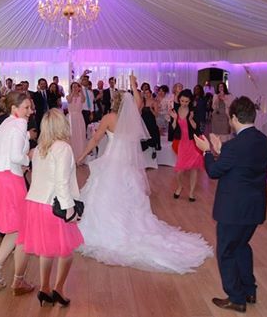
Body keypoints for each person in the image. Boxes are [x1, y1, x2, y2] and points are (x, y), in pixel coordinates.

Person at [75, 74, 213, 273]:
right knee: (129, 198)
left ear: (114, 102)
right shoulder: (133, 117)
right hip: (128, 167)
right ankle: (129, 226)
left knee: (105, 196)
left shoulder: (109, 118)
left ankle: (111, 230)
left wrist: (81, 155)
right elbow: (138, 101)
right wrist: (133, 83)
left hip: (112, 163)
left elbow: (95, 140)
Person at [194, 96, 267, 313]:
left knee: (226, 251)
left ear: (234, 118)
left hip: (233, 210)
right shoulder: (263, 140)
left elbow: (214, 172)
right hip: (254, 208)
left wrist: (207, 151)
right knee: (242, 246)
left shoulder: (235, 146)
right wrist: (221, 151)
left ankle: (236, 298)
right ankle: (249, 290)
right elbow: (241, 165)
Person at [17, 109, 84, 307]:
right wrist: (70, 209)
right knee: (66, 251)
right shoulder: (63, 148)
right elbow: (61, 182)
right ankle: (58, 289)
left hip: (35, 204)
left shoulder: (39, 149)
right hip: (55, 205)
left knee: (46, 250)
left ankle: (44, 288)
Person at [0, 91, 35, 295]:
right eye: (26, 108)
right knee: (23, 229)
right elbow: (15, 156)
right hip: (8, 179)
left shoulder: (3, 125)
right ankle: (18, 281)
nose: (30, 111)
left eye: (30, 107)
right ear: (14, 109)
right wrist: (28, 158)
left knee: (15, 229)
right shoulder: (19, 125)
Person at [169, 89, 204, 201]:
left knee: (194, 169)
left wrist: (190, 119)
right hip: (182, 143)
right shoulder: (175, 110)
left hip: (193, 142)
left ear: (190, 101)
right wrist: (174, 119)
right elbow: (174, 129)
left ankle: (191, 193)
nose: (184, 103)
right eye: (182, 101)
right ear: (179, 99)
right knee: (179, 170)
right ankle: (180, 186)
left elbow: (196, 128)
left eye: (186, 101)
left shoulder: (193, 111)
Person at [66, 82, 86, 162]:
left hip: (79, 118)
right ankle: (71, 158)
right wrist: (72, 93)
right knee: (71, 136)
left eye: (76, 86)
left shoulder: (81, 96)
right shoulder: (68, 96)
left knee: (80, 136)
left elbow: (84, 100)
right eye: (73, 87)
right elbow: (69, 100)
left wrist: (81, 91)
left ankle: (80, 157)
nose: (74, 88)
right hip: (71, 118)